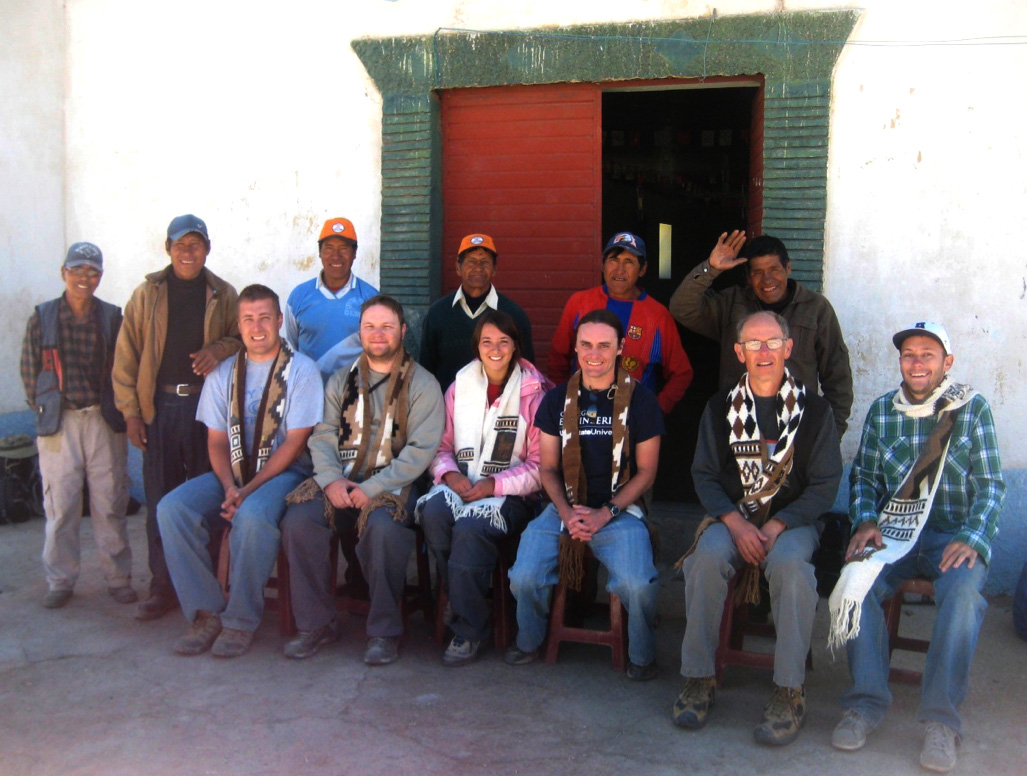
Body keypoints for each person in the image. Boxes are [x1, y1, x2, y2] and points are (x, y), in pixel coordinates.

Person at [829, 321, 1005, 773]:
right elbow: (864, 477)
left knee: (964, 597)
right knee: (855, 581)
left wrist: (972, 536)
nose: (917, 363)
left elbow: (990, 485)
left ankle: (941, 721)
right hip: (894, 534)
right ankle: (865, 704)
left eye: (928, 354)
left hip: (952, 536)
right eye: (909, 354)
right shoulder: (883, 410)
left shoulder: (970, 408)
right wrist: (865, 521)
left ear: (948, 362)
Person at [672, 311, 841, 745]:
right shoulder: (720, 408)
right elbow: (704, 475)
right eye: (753, 343)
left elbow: (825, 485)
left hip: (793, 521)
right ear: (738, 352)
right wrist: (734, 522)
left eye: (772, 342)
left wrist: (780, 522)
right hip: (733, 516)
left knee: (791, 569)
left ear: (788, 348)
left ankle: (789, 690)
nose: (763, 352)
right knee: (705, 559)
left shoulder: (815, 411)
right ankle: (698, 677)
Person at [156, 285, 323, 658]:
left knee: (253, 515)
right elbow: (216, 441)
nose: (256, 327)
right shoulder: (224, 372)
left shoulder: (302, 370)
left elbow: (295, 444)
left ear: (278, 321)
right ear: (239, 323)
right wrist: (230, 485)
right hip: (233, 473)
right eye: (248, 319)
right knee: (172, 509)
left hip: (286, 474)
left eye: (264, 318)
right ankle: (206, 612)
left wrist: (246, 492)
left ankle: (240, 620)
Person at [280, 295, 444, 665]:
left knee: (384, 528)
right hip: (341, 481)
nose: (378, 334)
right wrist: (331, 481)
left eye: (387, 326)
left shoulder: (423, 384)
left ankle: (384, 631)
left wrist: (371, 489)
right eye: (370, 326)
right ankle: (316, 624)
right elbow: (323, 435)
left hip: (393, 488)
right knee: (299, 520)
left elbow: (420, 450)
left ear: (403, 330)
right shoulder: (341, 381)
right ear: (360, 332)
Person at [508, 309, 664, 680]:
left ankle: (642, 656)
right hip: (564, 507)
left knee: (638, 585)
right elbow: (547, 468)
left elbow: (647, 472)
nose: (595, 354)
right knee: (524, 577)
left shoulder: (641, 400)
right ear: (576, 348)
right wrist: (566, 512)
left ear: (620, 348)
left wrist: (605, 512)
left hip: (619, 510)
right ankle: (529, 641)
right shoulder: (556, 400)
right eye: (586, 345)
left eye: (604, 346)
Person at [113, 214, 240, 620]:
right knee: (160, 501)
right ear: (167, 249)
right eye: (180, 245)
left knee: (207, 498)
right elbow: (126, 356)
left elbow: (244, 338)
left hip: (207, 410)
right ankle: (163, 587)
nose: (188, 252)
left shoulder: (224, 294)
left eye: (195, 244)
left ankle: (209, 584)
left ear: (207, 249)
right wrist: (132, 414)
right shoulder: (146, 295)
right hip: (160, 408)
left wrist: (218, 350)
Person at [417, 309, 552, 666]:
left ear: (516, 346)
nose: (495, 349)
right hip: (462, 485)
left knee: (470, 529)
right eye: (487, 341)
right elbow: (440, 447)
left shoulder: (534, 393)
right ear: (477, 345)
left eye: (503, 342)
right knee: (434, 512)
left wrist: (494, 484)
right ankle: (462, 595)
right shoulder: (459, 386)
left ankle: (469, 630)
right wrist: (450, 476)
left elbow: (541, 467)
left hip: (512, 496)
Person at [19, 242, 134, 609]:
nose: (85, 277)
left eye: (92, 271)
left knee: (110, 501)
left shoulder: (112, 317)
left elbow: (124, 368)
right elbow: (29, 370)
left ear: (100, 277)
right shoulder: (43, 317)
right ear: (63, 273)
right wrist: (46, 408)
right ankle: (60, 580)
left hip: (103, 420)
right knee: (61, 505)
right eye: (77, 270)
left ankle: (118, 578)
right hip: (60, 422)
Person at [669, 231, 852, 436]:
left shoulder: (816, 308)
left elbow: (838, 377)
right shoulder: (731, 303)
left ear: (788, 268)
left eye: (774, 269)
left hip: (797, 429)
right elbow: (681, 308)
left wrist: (831, 434)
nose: (767, 279)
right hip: (738, 426)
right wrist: (710, 269)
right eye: (758, 272)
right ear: (748, 277)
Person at [548, 232, 693, 415]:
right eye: (613, 260)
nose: (619, 270)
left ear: (642, 269)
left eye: (629, 262)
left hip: (634, 417)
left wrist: (655, 410)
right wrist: (565, 401)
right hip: (582, 413)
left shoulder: (658, 315)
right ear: (602, 265)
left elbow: (681, 373)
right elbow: (558, 357)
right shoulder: (579, 303)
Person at [419, 234, 534, 391]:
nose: (478, 268)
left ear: (495, 269)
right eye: (471, 262)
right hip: (448, 404)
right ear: (458, 268)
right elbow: (425, 370)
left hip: (501, 404)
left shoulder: (514, 314)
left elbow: (528, 372)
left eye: (485, 262)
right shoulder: (437, 313)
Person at [285, 217, 378, 381]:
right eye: (328, 248)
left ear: (355, 253)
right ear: (320, 252)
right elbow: (294, 343)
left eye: (344, 248)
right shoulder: (298, 296)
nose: (336, 256)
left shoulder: (371, 298)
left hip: (354, 390)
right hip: (309, 388)